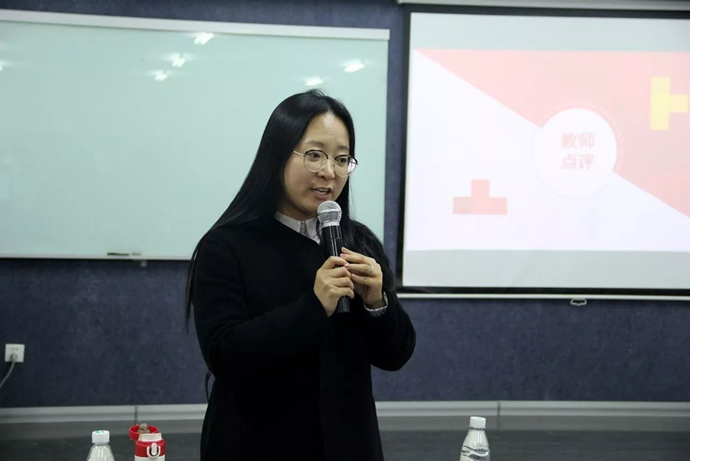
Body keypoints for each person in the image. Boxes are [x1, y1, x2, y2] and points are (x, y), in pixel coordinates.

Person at [184, 89, 416, 460]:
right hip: (256, 444)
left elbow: (395, 355)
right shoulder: (226, 247)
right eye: (314, 155)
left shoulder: (359, 242)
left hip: (347, 444)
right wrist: (314, 307)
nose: (329, 172)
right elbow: (224, 354)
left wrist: (378, 303)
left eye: (342, 159)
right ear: (277, 155)